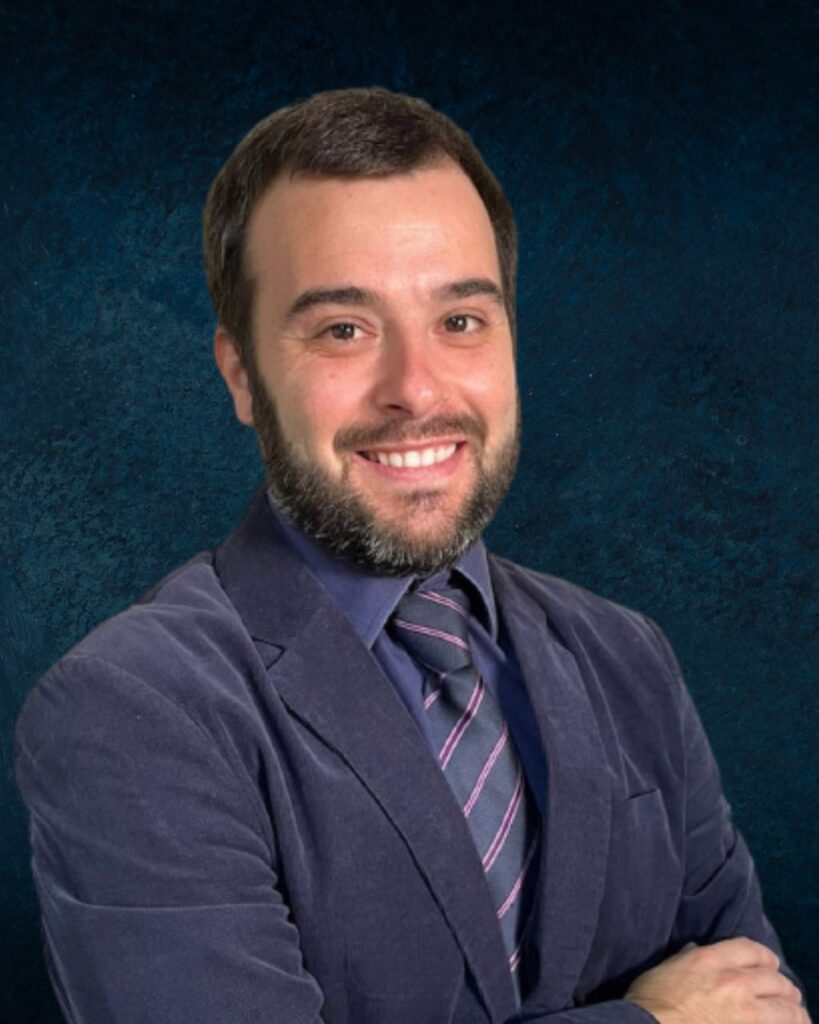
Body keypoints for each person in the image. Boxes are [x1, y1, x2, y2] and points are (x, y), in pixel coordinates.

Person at [15, 87, 808, 1024]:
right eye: (343, 330)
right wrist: (654, 1021)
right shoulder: (132, 708)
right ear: (241, 375)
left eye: (460, 320)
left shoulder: (626, 656)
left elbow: (759, 1007)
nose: (416, 389)